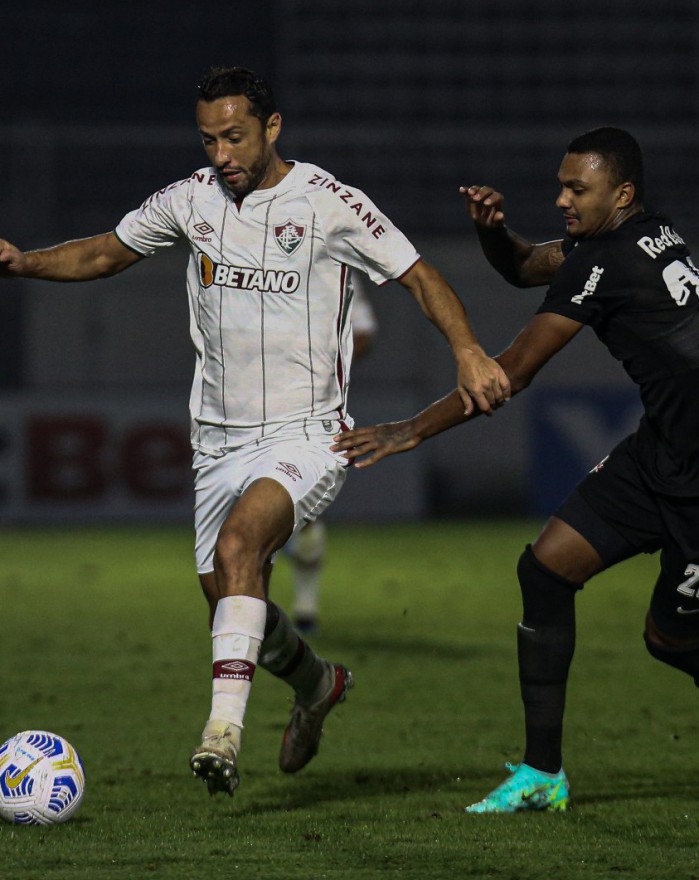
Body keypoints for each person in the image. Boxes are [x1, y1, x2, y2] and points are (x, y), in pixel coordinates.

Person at [0, 66, 510, 798]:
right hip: (216, 443)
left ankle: (221, 735)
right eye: (209, 139)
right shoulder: (190, 200)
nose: (222, 154)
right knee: (234, 604)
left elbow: (420, 276)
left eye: (235, 136)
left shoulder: (330, 203)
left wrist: (465, 349)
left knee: (243, 547)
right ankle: (319, 685)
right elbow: (106, 251)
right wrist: (23, 265)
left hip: (305, 435)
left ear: (272, 128)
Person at [333, 126, 699, 813]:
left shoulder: (608, 260)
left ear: (620, 193)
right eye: (560, 185)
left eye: (575, 189)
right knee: (546, 568)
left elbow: (512, 373)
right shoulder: (645, 234)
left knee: (668, 640)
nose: (560, 197)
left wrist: (413, 428)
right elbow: (528, 266)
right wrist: (493, 234)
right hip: (659, 455)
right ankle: (542, 774)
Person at [285, 276, 378, 634]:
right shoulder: (241, 251)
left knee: (305, 503)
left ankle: (300, 604)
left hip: (311, 407)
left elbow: (365, 332)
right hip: (243, 405)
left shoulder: (334, 264)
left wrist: (322, 359)